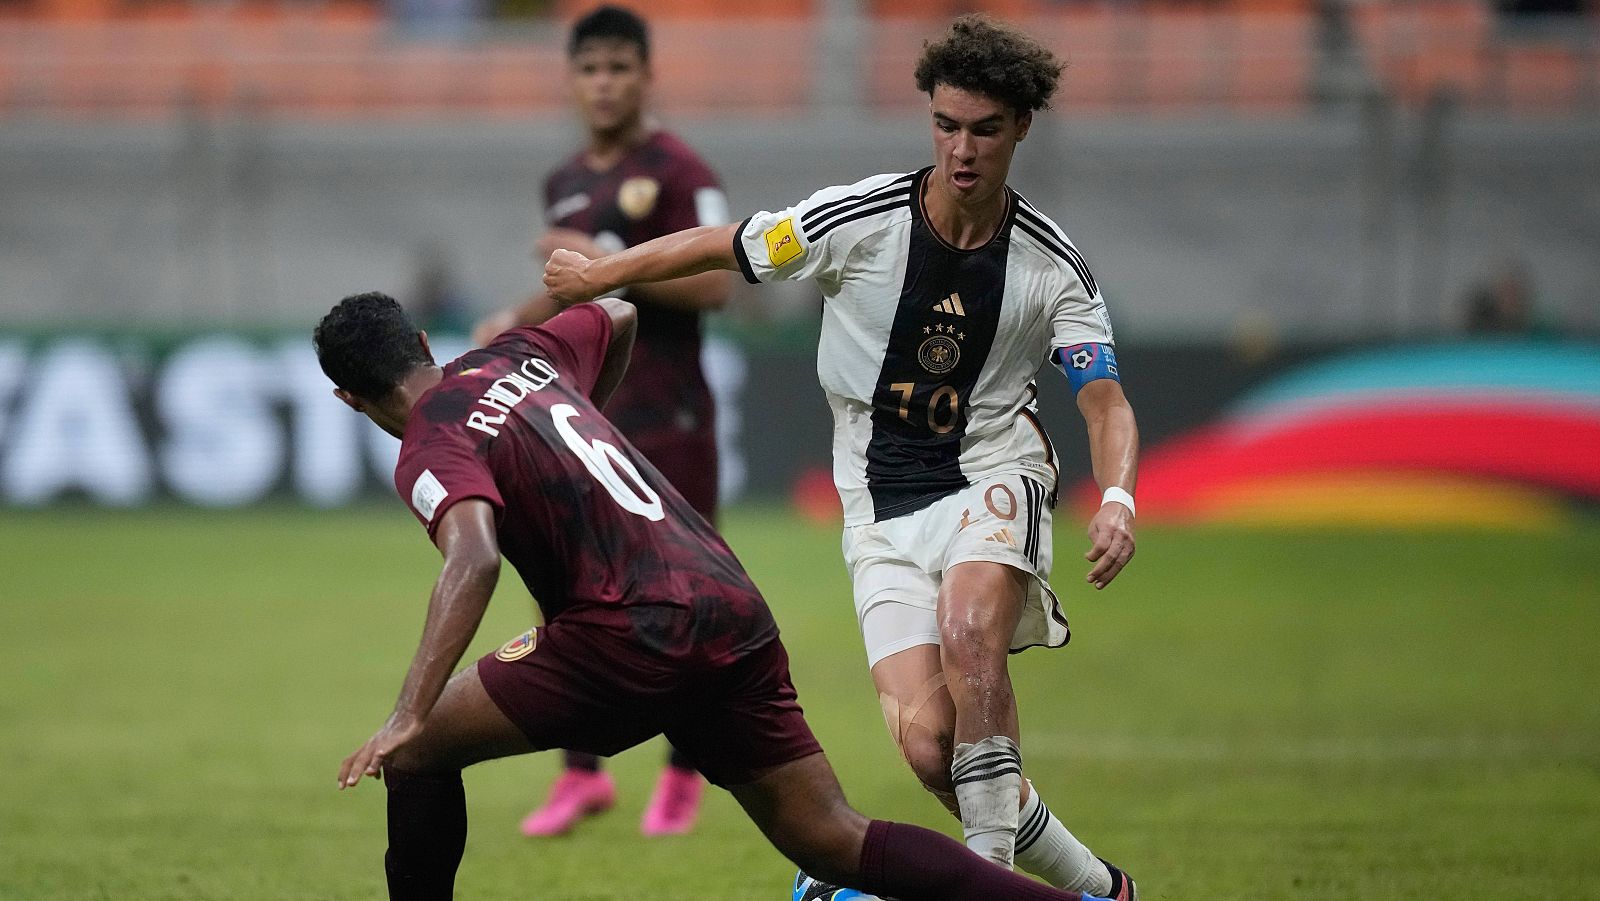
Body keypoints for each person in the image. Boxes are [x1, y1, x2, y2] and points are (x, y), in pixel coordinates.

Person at [540, 14, 1142, 900]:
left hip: (993, 470)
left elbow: (1104, 398)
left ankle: (988, 888)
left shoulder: (1055, 267)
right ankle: (1100, 890)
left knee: (973, 628)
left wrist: (1120, 496)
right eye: (946, 125)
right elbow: (726, 245)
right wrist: (602, 275)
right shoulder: (858, 219)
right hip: (877, 505)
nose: (961, 148)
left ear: (1019, 128)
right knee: (934, 750)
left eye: (983, 129)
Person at [315, 291, 1119, 901]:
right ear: (423, 341)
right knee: (829, 839)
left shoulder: (430, 444)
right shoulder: (518, 353)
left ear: (349, 399)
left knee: (418, 752)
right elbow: (621, 312)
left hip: (624, 629)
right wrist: (583, 402)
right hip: (726, 601)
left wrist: (406, 711)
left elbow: (474, 558)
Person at [472, 3, 734, 838]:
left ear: (647, 76)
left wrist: (610, 258)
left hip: (673, 412)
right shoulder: (563, 180)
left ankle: (686, 773)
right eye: (591, 68)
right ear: (572, 79)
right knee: (566, 584)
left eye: (621, 67)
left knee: (688, 597)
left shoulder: (680, 168)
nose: (605, 83)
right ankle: (580, 773)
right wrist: (508, 323)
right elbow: (569, 288)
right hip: (589, 416)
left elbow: (717, 282)